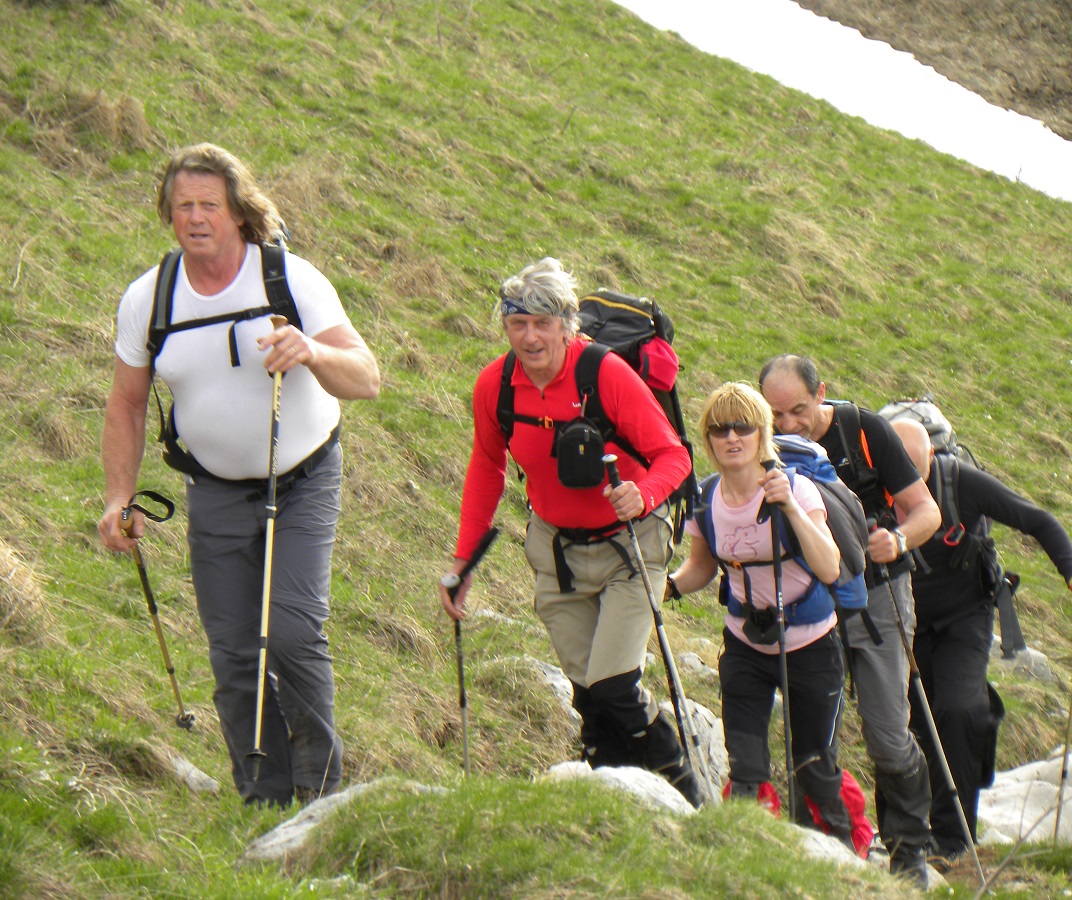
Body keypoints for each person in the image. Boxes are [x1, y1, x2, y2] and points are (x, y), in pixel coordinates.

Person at [98, 143, 380, 807]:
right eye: (182, 206)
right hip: (214, 490)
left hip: (303, 479)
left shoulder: (289, 279)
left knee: (291, 633)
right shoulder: (149, 298)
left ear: (237, 212)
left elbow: (367, 377)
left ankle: (320, 794)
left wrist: (310, 351)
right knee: (232, 653)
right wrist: (118, 497)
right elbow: (126, 403)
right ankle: (262, 798)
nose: (195, 217)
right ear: (168, 214)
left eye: (208, 205)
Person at [438, 258, 703, 806]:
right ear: (505, 326)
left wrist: (644, 494)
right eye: (518, 324)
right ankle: (615, 803)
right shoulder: (495, 386)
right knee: (589, 698)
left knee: (614, 685)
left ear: (567, 325)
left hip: (631, 545)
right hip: (556, 551)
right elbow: (486, 467)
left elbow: (673, 455)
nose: (530, 336)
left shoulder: (605, 374)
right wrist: (464, 562)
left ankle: (687, 795)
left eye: (543, 323)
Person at [891, 418, 1072, 867]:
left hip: (963, 618)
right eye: (898, 472)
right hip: (900, 623)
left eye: (916, 471)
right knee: (905, 725)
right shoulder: (869, 485)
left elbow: (1038, 520)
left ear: (932, 458)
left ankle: (953, 840)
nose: (906, 485)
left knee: (959, 710)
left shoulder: (961, 483)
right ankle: (901, 836)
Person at [759, 355, 940, 884]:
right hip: (810, 601)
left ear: (821, 394)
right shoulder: (761, 442)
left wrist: (898, 540)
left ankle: (909, 851)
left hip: (881, 596)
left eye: (798, 410)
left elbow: (926, 510)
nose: (788, 424)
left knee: (887, 731)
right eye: (776, 414)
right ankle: (824, 843)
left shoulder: (866, 431)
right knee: (815, 732)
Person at [668, 382, 855, 846]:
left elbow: (829, 566)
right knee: (746, 769)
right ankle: (749, 855)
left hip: (812, 645)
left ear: (762, 433)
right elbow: (701, 567)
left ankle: (837, 856)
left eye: (743, 427)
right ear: (708, 439)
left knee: (814, 767)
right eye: (719, 429)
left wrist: (788, 506)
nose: (731, 437)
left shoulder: (798, 488)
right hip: (745, 646)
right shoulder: (705, 497)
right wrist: (666, 587)